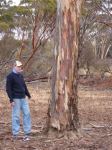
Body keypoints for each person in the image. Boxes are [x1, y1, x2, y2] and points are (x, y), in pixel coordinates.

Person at [6, 60, 31, 141]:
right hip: (16, 99)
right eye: (18, 66)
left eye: (20, 66)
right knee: (16, 116)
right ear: (14, 66)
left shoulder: (20, 76)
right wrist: (11, 100)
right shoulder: (10, 76)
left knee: (27, 114)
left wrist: (28, 94)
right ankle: (15, 134)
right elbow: (8, 89)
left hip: (23, 98)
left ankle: (27, 134)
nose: (20, 68)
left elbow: (24, 85)